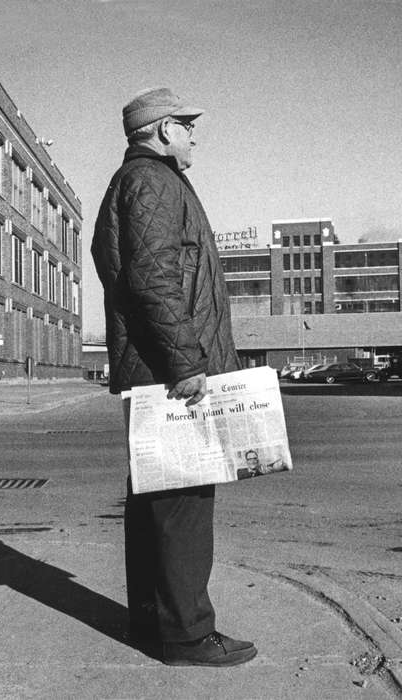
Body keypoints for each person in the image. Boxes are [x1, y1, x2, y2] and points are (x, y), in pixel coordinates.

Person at [91, 87, 256, 667]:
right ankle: (187, 636)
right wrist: (187, 362)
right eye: (187, 125)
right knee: (183, 506)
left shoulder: (135, 181)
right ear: (162, 130)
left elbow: (124, 268)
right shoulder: (154, 182)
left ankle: (153, 626)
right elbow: (153, 278)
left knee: (155, 504)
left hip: (154, 368)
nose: (194, 134)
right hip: (171, 373)